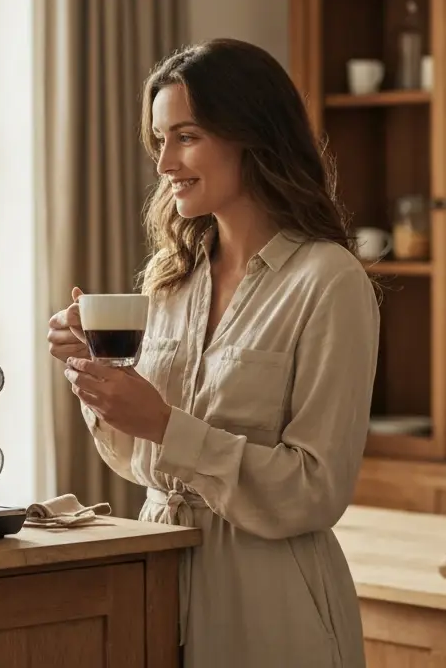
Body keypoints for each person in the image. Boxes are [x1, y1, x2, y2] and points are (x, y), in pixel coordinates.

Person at [46, 37, 380, 668]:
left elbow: (315, 488)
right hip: (157, 578)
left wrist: (165, 424)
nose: (165, 162)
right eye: (159, 140)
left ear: (252, 136)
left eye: (187, 136)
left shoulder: (329, 281)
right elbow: (138, 460)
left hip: (272, 598)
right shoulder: (169, 281)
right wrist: (97, 380)